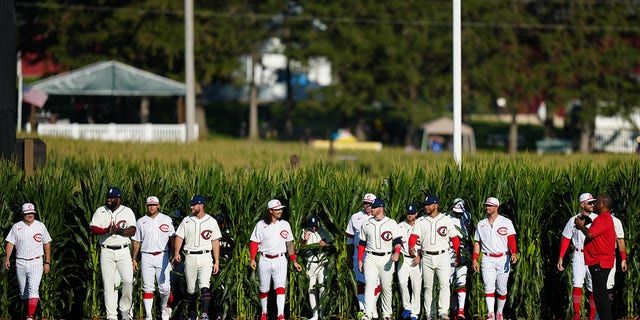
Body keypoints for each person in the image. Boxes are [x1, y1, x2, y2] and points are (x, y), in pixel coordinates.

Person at [249, 199, 303, 320]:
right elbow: (254, 242)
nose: (280, 211)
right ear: (270, 211)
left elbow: (289, 243)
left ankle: (280, 315)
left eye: (281, 209)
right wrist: (252, 259)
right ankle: (264, 313)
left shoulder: (285, 224)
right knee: (264, 289)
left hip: (280, 259)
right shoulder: (261, 225)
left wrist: (294, 260)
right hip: (264, 260)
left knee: (280, 287)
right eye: (277, 209)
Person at [409, 195, 460, 320]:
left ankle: (443, 312)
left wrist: (458, 255)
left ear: (436, 205)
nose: (426, 207)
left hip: (443, 255)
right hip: (426, 256)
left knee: (444, 284)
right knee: (428, 286)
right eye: (425, 204)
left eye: (429, 204)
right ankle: (430, 314)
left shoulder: (446, 219)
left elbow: (455, 239)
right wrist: (411, 246)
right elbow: (413, 237)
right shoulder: (421, 220)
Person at [90, 187, 137, 320]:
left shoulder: (127, 211)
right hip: (106, 250)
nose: (109, 200)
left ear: (118, 198)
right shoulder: (101, 210)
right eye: (108, 197)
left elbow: (133, 230)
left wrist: (117, 231)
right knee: (109, 284)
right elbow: (93, 228)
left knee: (128, 281)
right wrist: (106, 230)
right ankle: (112, 315)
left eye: (112, 198)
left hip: (123, 250)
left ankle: (125, 310)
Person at [172, 195, 221, 320]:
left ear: (201, 205)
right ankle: (193, 312)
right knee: (191, 289)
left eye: (194, 205)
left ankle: (204, 314)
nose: (191, 207)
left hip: (205, 256)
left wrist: (216, 261)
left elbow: (215, 242)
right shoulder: (186, 220)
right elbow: (179, 237)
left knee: (205, 285)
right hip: (190, 256)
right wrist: (176, 252)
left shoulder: (211, 221)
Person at [4, 203, 52, 320]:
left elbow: (47, 244)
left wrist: (47, 262)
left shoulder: (41, 226)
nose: (30, 215)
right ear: (22, 214)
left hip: (36, 261)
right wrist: (7, 258)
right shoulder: (16, 226)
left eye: (32, 213)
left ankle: (30, 316)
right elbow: (10, 243)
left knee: (33, 289)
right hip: (20, 262)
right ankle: (27, 313)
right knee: (23, 292)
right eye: (27, 213)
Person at [472, 197, 517, 320]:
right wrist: (475, 259)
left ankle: (499, 312)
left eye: (490, 206)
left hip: (503, 258)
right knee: (489, 286)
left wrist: (514, 253)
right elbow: (477, 242)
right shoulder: (481, 224)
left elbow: (511, 239)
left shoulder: (506, 222)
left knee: (502, 288)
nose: (487, 208)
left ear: (496, 207)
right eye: (486, 205)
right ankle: (491, 313)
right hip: (487, 259)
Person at [357, 198, 402, 320]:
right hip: (370, 257)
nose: (371, 209)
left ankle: (387, 314)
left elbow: (398, 241)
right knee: (370, 284)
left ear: (381, 208)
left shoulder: (391, 223)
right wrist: (360, 260)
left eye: (374, 207)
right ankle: (368, 313)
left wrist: (397, 253)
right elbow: (361, 243)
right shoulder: (366, 223)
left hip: (387, 258)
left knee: (386, 286)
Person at [131, 196, 175, 320]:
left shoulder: (166, 219)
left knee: (165, 288)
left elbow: (172, 238)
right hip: (146, 256)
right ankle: (149, 316)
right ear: (146, 206)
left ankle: (164, 306)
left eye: (154, 205)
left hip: (163, 255)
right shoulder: (141, 221)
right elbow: (136, 241)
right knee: (147, 287)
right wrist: (134, 258)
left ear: (159, 205)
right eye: (150, 205)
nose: (152, 207)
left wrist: (174, 254)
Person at [556, 193, 598, 320]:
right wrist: (561, 257)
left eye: (593, 202)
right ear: (582, 204)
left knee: (593, 286)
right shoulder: (573, 220)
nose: (592, 205)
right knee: (577, 284)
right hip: (579, 254)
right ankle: (576, 315)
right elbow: (566, 239)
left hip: (593, 255)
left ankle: (592, 317)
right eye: (589, 203)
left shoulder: (597, 219)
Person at [574, 194, 616, 320]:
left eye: (596, 202)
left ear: (603, 204)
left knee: (600, 295)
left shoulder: (603, 218)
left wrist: (581, 226)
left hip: (600, 262)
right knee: (599, 293)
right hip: (599, 261)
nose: (594, 205)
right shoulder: (603, 218)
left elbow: (591, 234)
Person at [345, 193, 380, 316]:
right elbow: (349, 238)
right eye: (365, 203)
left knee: (375, 282)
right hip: (357, 253)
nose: (367, 206)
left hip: (374, 254)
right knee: (361, 282)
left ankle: (371, 307)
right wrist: (349, 257)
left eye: (369, 204)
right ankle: (362, 309)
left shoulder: (379, 217)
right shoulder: (356, 217)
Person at [300, 215, 333, 320]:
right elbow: (301, 248)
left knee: (322, 289)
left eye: (315, 226)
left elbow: (332, 245)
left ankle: (322, 313)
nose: (313, 228)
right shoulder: (305, 231)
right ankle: (314, 315)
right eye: (311, 226)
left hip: (322, 264)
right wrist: (305, 241)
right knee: (311, 289)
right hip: (311, 264)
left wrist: (326, 244)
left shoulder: (323, 232)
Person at [448, 198, 473, 320]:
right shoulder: (447, 218)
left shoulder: (468, 215)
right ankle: (453, 309)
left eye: (460, 212)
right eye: (456, 211)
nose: (458, 214)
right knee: (449, 282)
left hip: (464, 251)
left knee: (461, 281)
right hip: (450, 251)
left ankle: (461, 310)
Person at [397, 204, 422, 320]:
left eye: (412, 213)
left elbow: (426, 243)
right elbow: (395, 240)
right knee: (402, 282)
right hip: (404, 258)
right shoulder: (400, 226)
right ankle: (407, 307)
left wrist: (420, 256)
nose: (410, 215)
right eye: (408, 213)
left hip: (417, 260)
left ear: (416, 214)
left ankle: (414, 314)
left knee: (416, 286)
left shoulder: (421, 225)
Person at [211, 214, 235, 320]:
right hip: (212, 267)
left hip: (226, 268)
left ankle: (223, 313)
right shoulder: (209, 236)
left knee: (223, 291)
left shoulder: (227, 236)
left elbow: (232, 250)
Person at [606, 208, 627, 318]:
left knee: (609, 285)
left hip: (609, 256)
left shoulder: (615, 221)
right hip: (594, 257)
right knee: (595, 287)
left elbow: (620, 240)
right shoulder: (593, 219)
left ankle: (607, 314)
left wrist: (623, 259)